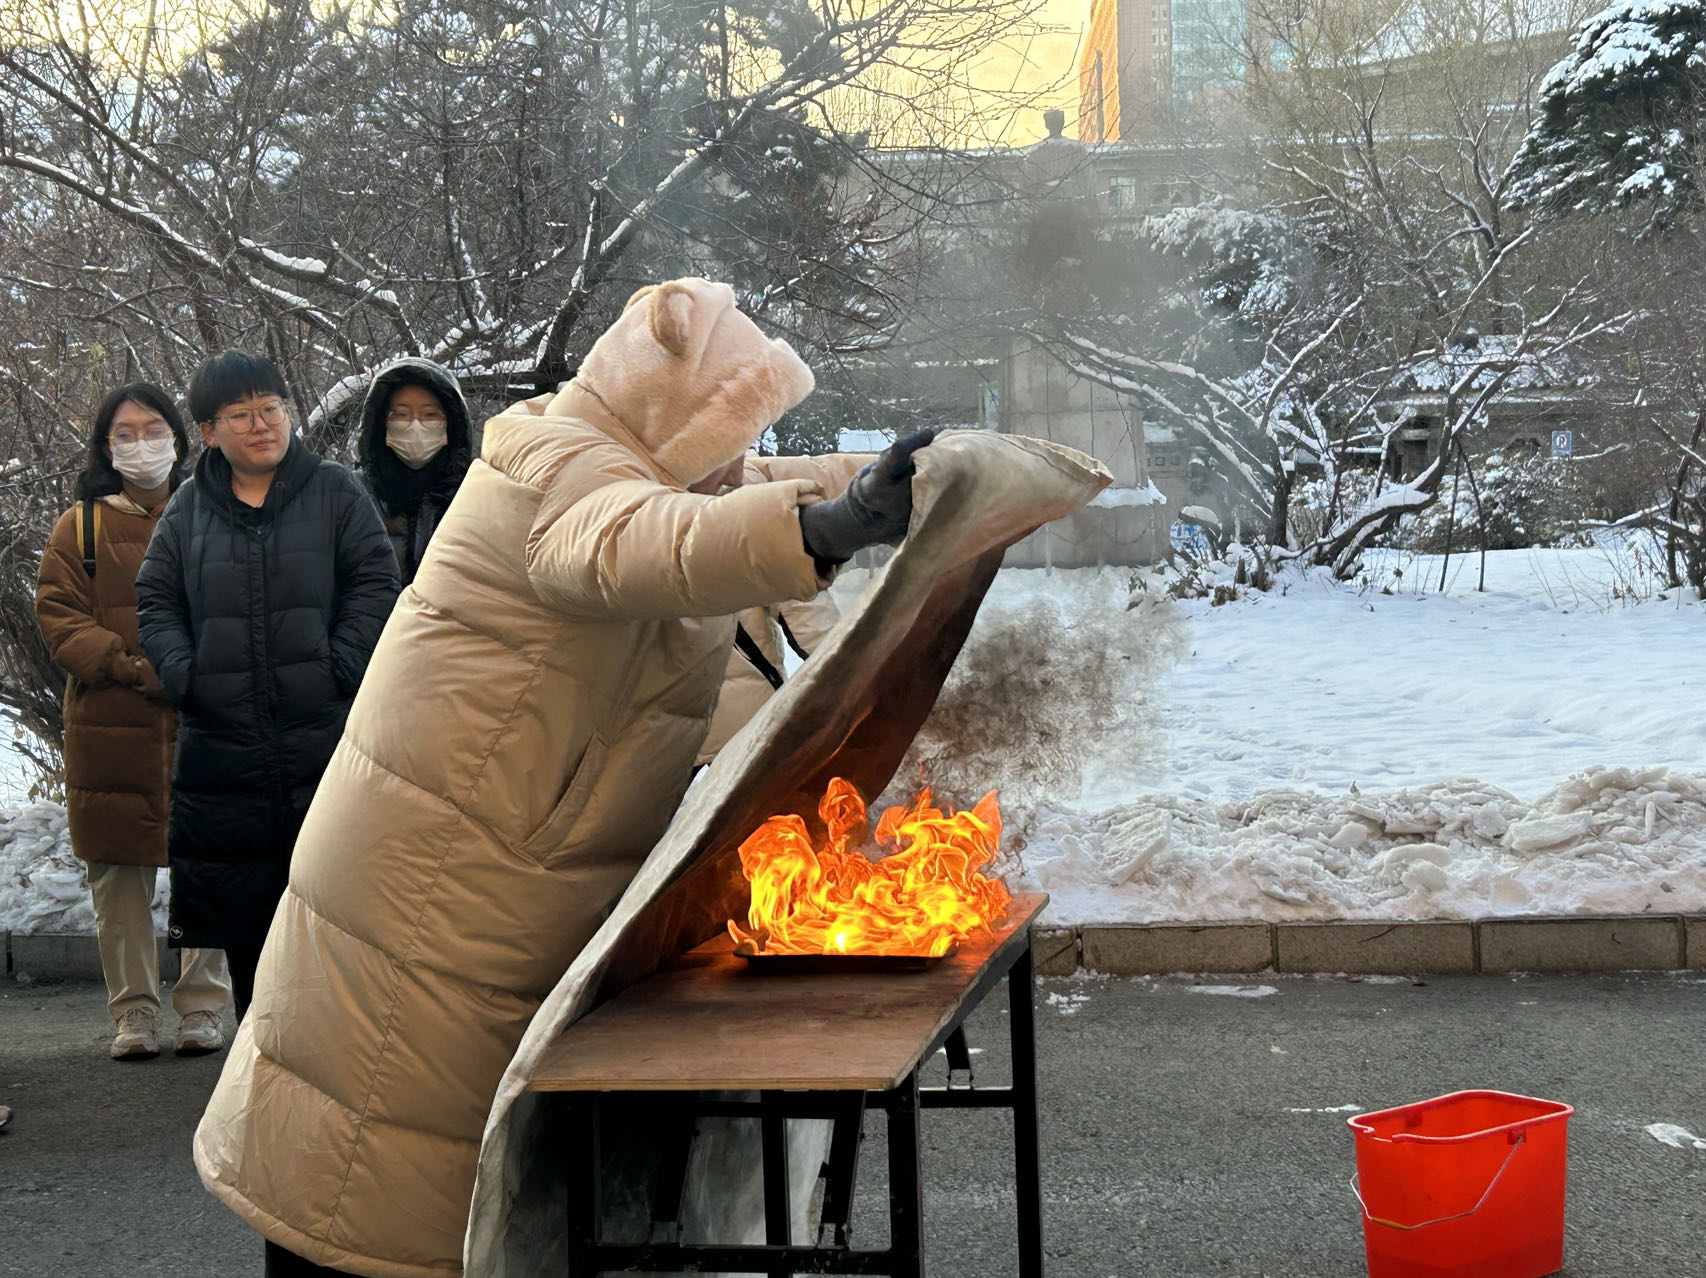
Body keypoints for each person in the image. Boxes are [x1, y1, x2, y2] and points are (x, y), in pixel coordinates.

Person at [190, 279, 932, 1278]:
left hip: (480, 875)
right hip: (439, 892)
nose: (739, 461)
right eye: (730, 429)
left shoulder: (619, 455)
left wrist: (909, 479)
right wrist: (826, 528)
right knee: (370, 1172)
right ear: (674, 412)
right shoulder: (569, 474)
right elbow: (636, 545)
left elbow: (729, 494)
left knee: (413, 1167)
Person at [135, 351, 400, 1024]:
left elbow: (377, 583)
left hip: (325, 739)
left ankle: (342, 1067)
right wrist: (186, 675)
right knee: (250, 931)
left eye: (271, 408)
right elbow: (156, 601)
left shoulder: (336, 491)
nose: (262, 425)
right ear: (208, 431)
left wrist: (340, 666)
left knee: (339, 925)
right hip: (225, 756)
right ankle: (263, 1062)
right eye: (241, 415)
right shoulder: (188, 510)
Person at [34, 382, 232, 1060]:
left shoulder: (214, 511)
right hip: (110, 724)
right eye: (125, 433)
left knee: (208, 862)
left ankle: (202, 1007)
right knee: (118, 875)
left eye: (153, 430)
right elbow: (59, 616)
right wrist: (130, 666)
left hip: (202, 717)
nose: (140, 444)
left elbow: (243, 605)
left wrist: (193, 668)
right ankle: (134, 1013)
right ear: (105, 446)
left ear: (179, 438)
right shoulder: (80, 526)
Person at [696, 460, 844, 766]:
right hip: (745, 723)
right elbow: (806, 612)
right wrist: (852, 672)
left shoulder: (613, 490)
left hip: (650, 736)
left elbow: (831, 470)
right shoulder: (741, 494)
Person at [355, 358, 475, 586]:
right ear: (381, 422)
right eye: (401, 415)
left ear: (452, 422)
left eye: (430, 414)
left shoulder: (475, 492)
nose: (415, 426)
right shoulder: (352, 494)